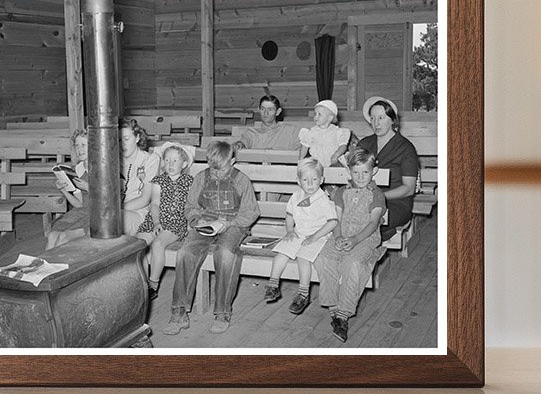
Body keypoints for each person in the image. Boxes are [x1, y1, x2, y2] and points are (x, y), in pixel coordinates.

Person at [162, 140, 259, 336]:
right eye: (212, 168)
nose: (215, 173)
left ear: (232, 161)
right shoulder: (201, 177)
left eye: (220, 169)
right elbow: (190, 207)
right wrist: (197, 220)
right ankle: (179, 313)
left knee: (225, 254)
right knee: (185, 253)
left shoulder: (241, 180)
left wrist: (227, 223)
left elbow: (250, 212)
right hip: (205, 224)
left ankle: (222, 313)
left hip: (233, 224)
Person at [314, 146, 387, 344]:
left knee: (352, 264)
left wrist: (355, 240)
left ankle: (343, 314)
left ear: (374, 171)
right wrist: (337, 237)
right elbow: (335, 219)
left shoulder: (377, 195)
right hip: (342, 234)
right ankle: (333, 309)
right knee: (324, 259)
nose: (361, 176)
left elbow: (373, 223)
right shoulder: (341, 193)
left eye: (365, 172)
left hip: (365, 238)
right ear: (349, 172)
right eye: (356, 172)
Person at [263, 158, 338, 315]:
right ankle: (273, 285)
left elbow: (332, 222)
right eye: (305, 180)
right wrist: (289, 230)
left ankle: (303, 294)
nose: (310, 184)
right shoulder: (296, 196)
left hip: (318, 235)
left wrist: (315, 236)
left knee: (303, 258)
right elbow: (289, 215)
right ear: (298, 181)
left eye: (314, 179)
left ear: (321, 180)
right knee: (281, 254)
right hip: (299, 232)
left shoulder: (323, 199)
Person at [356, 97, 419, 242]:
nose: (376, 123)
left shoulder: (405, 148)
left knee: (365, 219)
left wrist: (379, 198)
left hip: (395, 202)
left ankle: (366, 251)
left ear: (392, 120)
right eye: (372, 118)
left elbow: (408, 189)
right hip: (363, 199)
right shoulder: (364, 143)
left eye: (381, 118)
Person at [143, 142, 194, 300]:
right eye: (167, 160)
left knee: (158, 244)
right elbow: (155, 203)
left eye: (175, 161)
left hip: (175, 222)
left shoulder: (188, 181)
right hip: (157, 220)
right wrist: (157, 222)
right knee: (138, 245)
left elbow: (192, 206)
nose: (170, 164)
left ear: (184, 163)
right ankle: (142, 283)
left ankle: (153, 284)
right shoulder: (159, 180)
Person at [45, 129, 90, 249]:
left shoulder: (101, 167)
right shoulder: (78, 169)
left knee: (63, 237)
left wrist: (88, 187)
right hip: (81, 212)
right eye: (76, 146)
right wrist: (63, 190)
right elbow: (79, 204)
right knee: (53, 235)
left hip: (97, 215)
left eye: (83, 145)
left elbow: (109, 201)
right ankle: (42, 265)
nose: (79, 149)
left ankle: (53, 266)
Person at [119, 118, 161, 237]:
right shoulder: (115, 161)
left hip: (139, 213)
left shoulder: (151, 159)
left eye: (126, 139)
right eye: (119, 140)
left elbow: (144, 199)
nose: (123, 144)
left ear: (137, 138)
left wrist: (115, 210)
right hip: (116, 212)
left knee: (111, 221)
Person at [231, 94, 302, 151]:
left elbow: (302, 146)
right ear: (259, 109)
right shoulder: (252, 133)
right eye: (263, 109)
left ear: (278, 112)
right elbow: (245, 141)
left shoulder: (291, 131)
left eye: (270, 110)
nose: (266, 113)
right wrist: (239, 144)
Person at [298, 99, 350, 168]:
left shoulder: (337, 131)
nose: (316, 117)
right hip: (316, 162)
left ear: (330, 118)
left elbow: (343, 146)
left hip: (333, 161)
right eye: (315, 114)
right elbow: (304, 146)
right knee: (311, 168)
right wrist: (301, 161)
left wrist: (336, 155)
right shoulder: (312, 131)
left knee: (338, 168)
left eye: (319, 114)